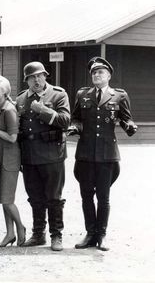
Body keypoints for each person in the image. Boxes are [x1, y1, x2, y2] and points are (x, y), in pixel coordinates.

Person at [70, 56, 137, 251]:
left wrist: (130, 126)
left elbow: (126, 119)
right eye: (93, 72)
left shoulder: (119, 96)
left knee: (104, 197)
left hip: (107, 155)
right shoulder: (83, 95)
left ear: (108, 75)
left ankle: (102, 235)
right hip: (85, 154)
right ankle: (90, 233)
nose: (96, 75)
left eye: (100, 72)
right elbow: (76, 118)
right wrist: (75, 127)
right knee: (86, 196)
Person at [16, 61, 70, 251]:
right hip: (30, 157)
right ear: (27, 80)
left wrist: (44, 110)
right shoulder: (21, 99)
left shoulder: (58, 94)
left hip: (52, 155)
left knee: (54, 197)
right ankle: (38, 234)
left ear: (46, 76)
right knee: (35, 197)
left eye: (40, 76)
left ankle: (56, 235)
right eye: (32, 77)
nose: (36, 80)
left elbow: (65, 121)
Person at [0, 75, 26, 247]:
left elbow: (12, 137)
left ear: (4, 91)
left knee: (7, 200)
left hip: (9, 160)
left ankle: (21, 227)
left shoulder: (9, 109)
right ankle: (10, 234)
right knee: (3, 197)